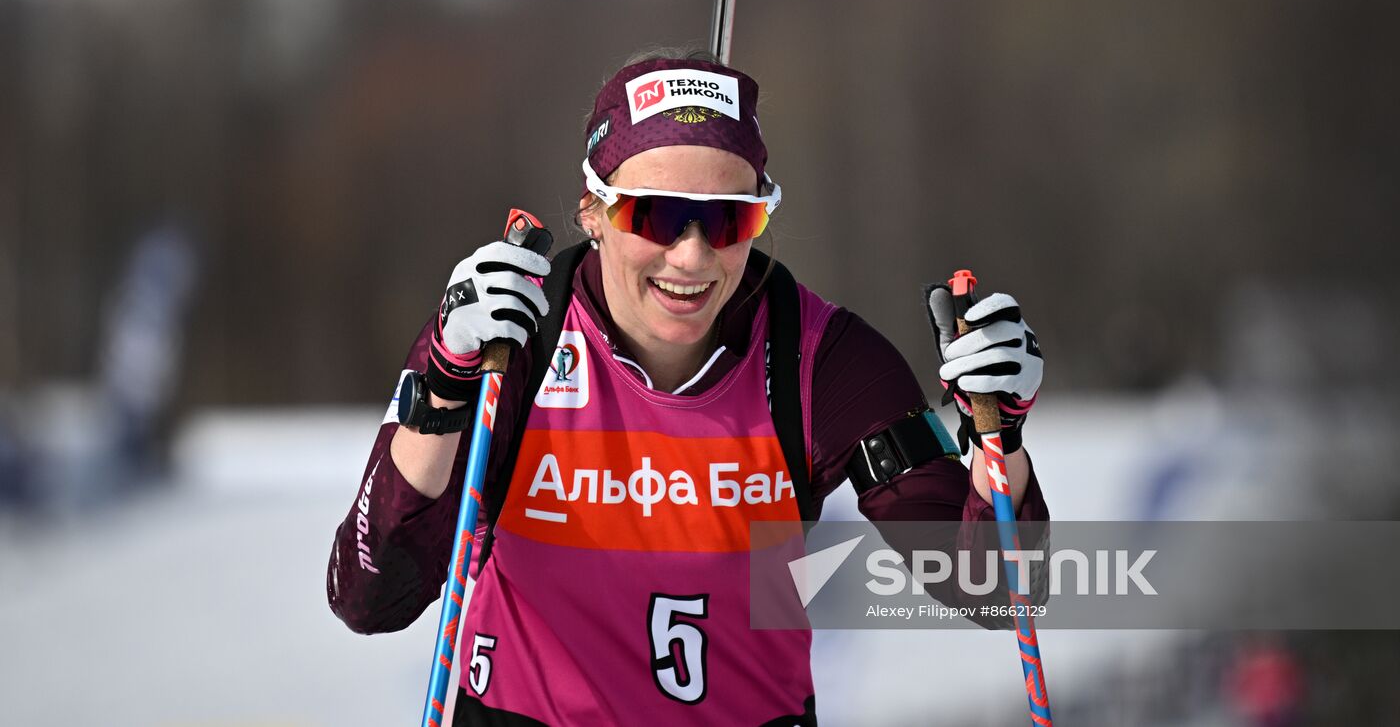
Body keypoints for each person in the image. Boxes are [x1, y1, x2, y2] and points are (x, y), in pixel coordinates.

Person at [328, 50, 1050, 725]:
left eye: (729, 220)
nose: (693, 255)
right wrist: (446, 386)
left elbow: (996, 592)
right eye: (657, 214)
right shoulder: (511, 334)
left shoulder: (820, 359)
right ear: (594, 210)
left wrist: (1002, 435)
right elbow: (368, 594)